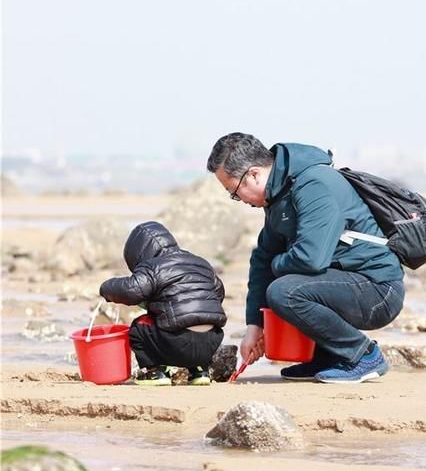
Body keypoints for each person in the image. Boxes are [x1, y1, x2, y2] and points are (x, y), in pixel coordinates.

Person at [207, 133, 405, 384]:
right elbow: (262, 260)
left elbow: (311, 259)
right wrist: (254, 327)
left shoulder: (314, 184)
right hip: (345, 282)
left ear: (253, 174)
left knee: (284, 290)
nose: (239, 200)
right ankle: (328, 356)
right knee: (278, 282)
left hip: (378, 290)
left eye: (234, 192)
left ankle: (364, 355)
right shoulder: (279, 195)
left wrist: (276, 265)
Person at [99, 221, 226, 386]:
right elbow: (219, 293)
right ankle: (199, 371)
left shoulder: (153, 267)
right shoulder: (201, 263)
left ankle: (155, 373)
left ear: (138, 253)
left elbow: (131, 290)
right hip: (211, 342)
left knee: (139, 327)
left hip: (178, 343)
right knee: (179, 318)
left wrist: (105, 289)